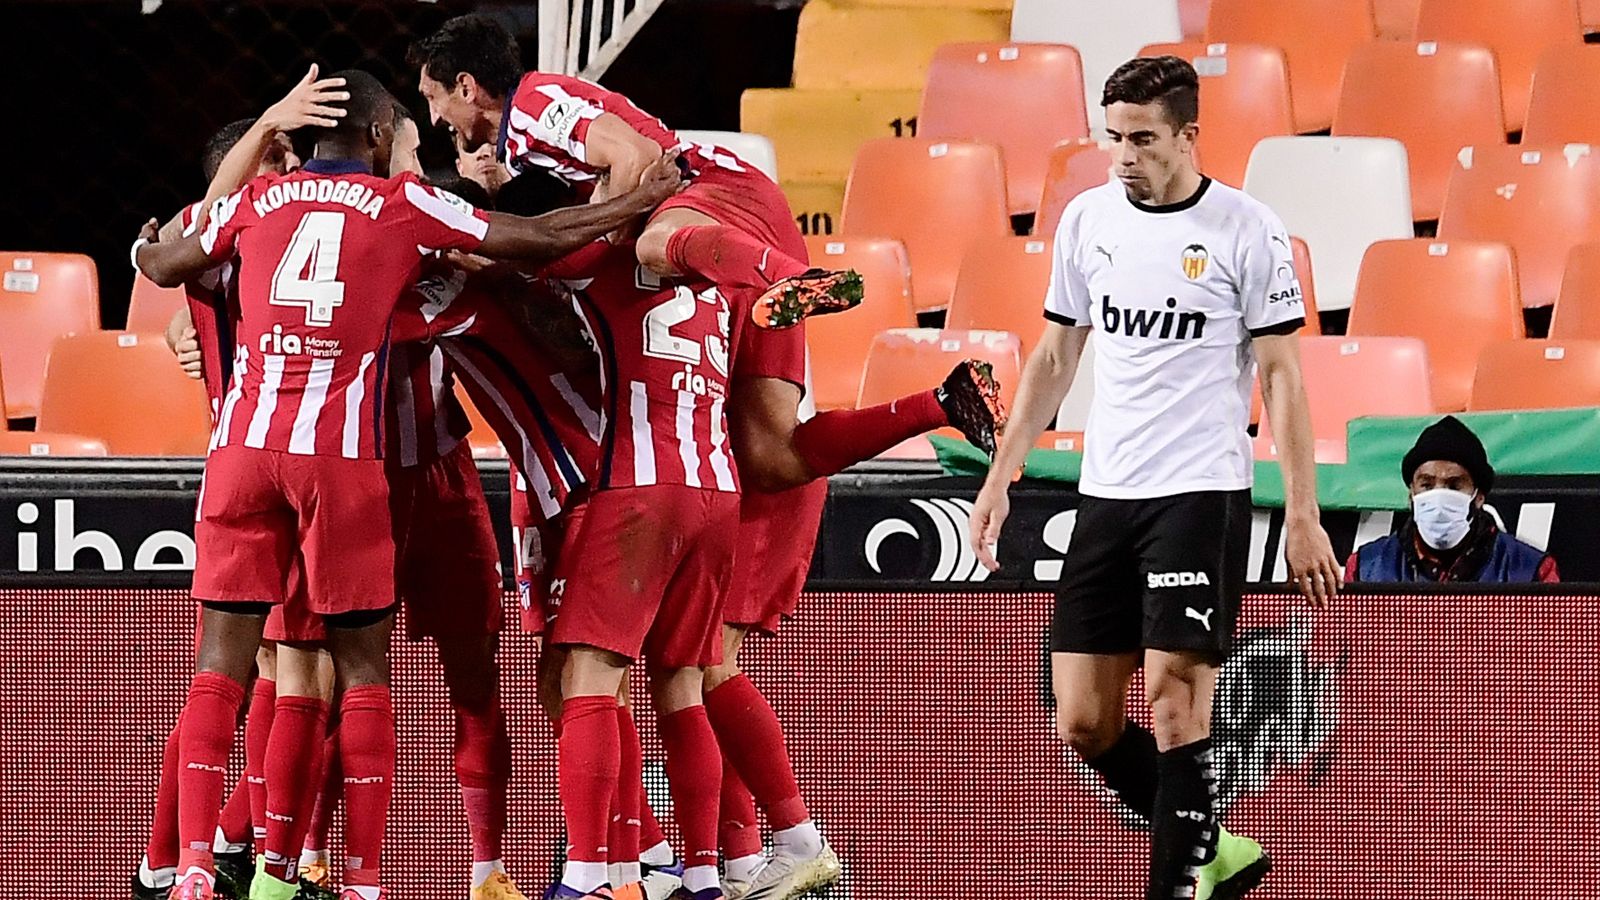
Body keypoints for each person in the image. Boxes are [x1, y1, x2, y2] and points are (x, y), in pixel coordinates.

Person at [133, 69, 683, 900]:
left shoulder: (254, 209)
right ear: (387, 137)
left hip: (248, 453)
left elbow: (165, 260)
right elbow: (532, 244)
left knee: (238, 669)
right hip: (351, 467)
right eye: (412, 136)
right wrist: (633, 203)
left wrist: (149, 242)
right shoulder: (403, 211)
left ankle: (196, 871)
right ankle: (353, 879)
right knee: (351, 672)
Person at [967, 57, 1343, 900]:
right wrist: (1003, 473)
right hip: (1108, 492)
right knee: (1084, 720)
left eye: (1142, 139)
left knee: (1178, 706)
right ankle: (1211, 842)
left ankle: (1179, 880)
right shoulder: (1087, 220)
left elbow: (1281, 376)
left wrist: (1304, 513)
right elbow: (1058, 353)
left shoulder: (1248, 229)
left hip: (1200, 492)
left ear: (1187, 135)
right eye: (1115, 139)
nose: (1124, 156)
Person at [406, 14, 864, 326]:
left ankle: (796, 279)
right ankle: (795, 284)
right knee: (771, 451)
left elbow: (636, 155)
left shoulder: (533, 105)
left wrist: (608, 243)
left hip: (711, 189)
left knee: (650, 246)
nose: (433, 117)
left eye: (432, 98)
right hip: (725, 241)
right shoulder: (519, 142)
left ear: (465, 87)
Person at [1346, 415, 1559, 583]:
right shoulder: (1365, 567)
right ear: (1411, 494)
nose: (1438, 496)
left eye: (1454, 485)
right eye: (1426, 485)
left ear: (1478, 497)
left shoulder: (1533, 571)